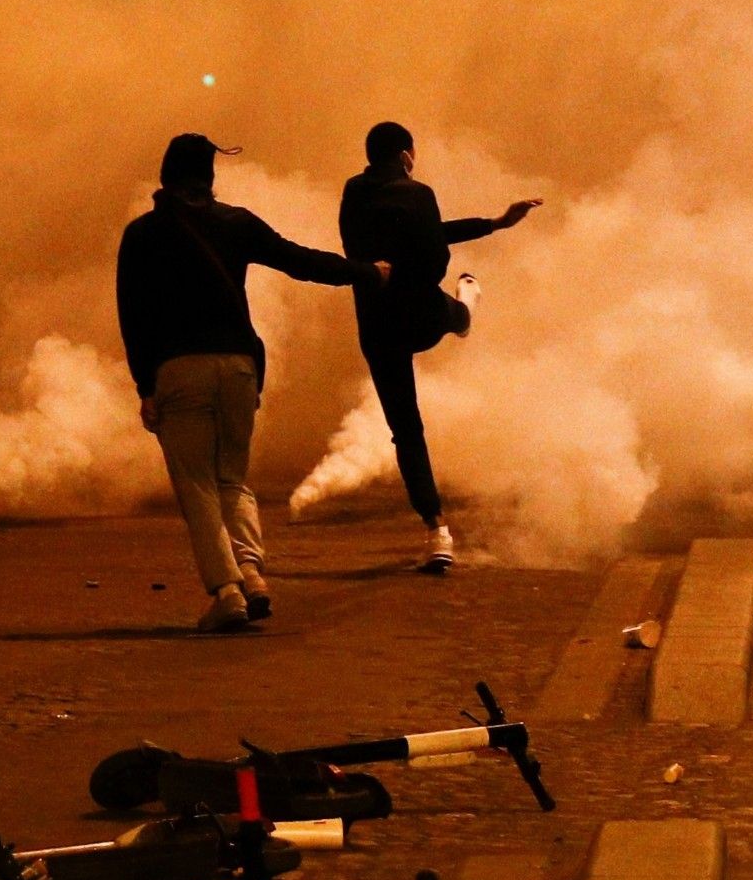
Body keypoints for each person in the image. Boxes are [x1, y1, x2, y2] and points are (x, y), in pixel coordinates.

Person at [117, 132, 373, 632]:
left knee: (197, 487)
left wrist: (144, 386)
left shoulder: (143, 234)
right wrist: (368, 273)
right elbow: (302, 262)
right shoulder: (236, 223)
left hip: (180, 371)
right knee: (232, 478)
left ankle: (228, 591)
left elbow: (133, 316)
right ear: (209, 176)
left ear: (166, 175)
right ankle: (252, 573)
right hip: (239, 367)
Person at [339, 121, 539, 571]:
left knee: (406, 430)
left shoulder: (353, 192)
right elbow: (434, 255)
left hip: (377, 323)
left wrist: (491, 224)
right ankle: (467, 303)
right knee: (457, 314)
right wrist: (497, 225)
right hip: (421, 313)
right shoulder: (418, 193)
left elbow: (371, 244)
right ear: (406, 156)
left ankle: (437, 531)